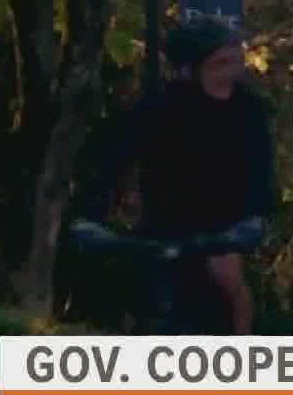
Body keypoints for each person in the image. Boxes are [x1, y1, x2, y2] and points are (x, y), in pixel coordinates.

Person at [77, 17, 275, 335]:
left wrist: (255, 218)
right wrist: (91, 213)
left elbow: (260, 170)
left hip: (222, 228)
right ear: (190, 70)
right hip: (162, 225)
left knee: (229, 285)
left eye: (235, 62)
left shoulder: (247, 111)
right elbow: (113, 158)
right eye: (220, 64)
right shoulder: (161, 110)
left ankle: (242, 366)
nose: (230, 73)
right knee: (133, 296)